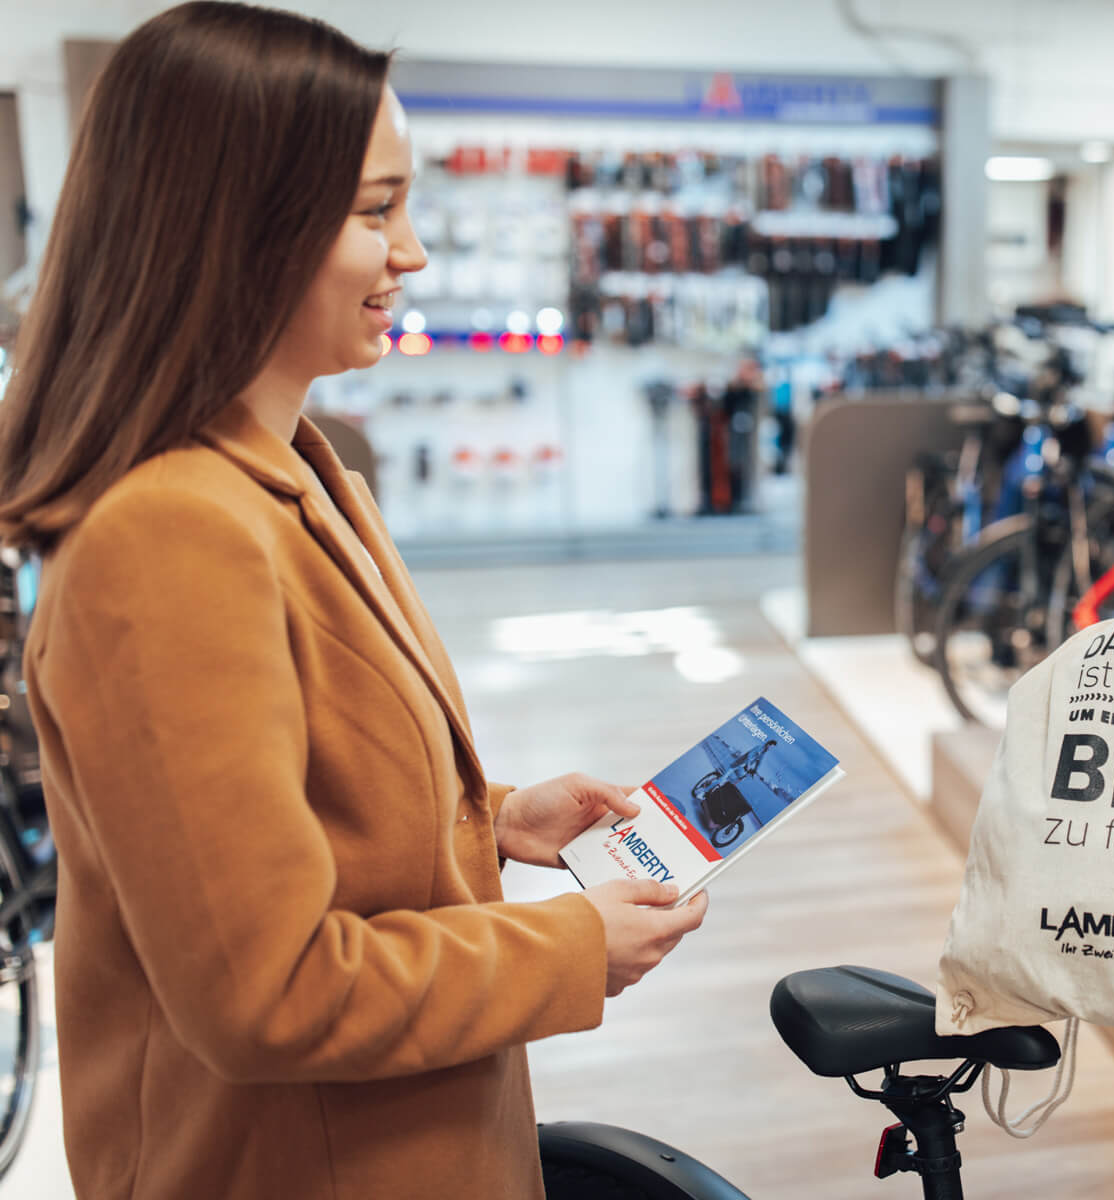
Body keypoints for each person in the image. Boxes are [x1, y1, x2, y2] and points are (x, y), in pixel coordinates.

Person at [0, 5, 707, 1197]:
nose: (413, 253)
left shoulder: (293, 473)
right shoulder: (169, 535)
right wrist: (570, 948)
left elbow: (291, 809)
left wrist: (493, 819)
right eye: (376, 211)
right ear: (239, 225)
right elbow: (266, 989)